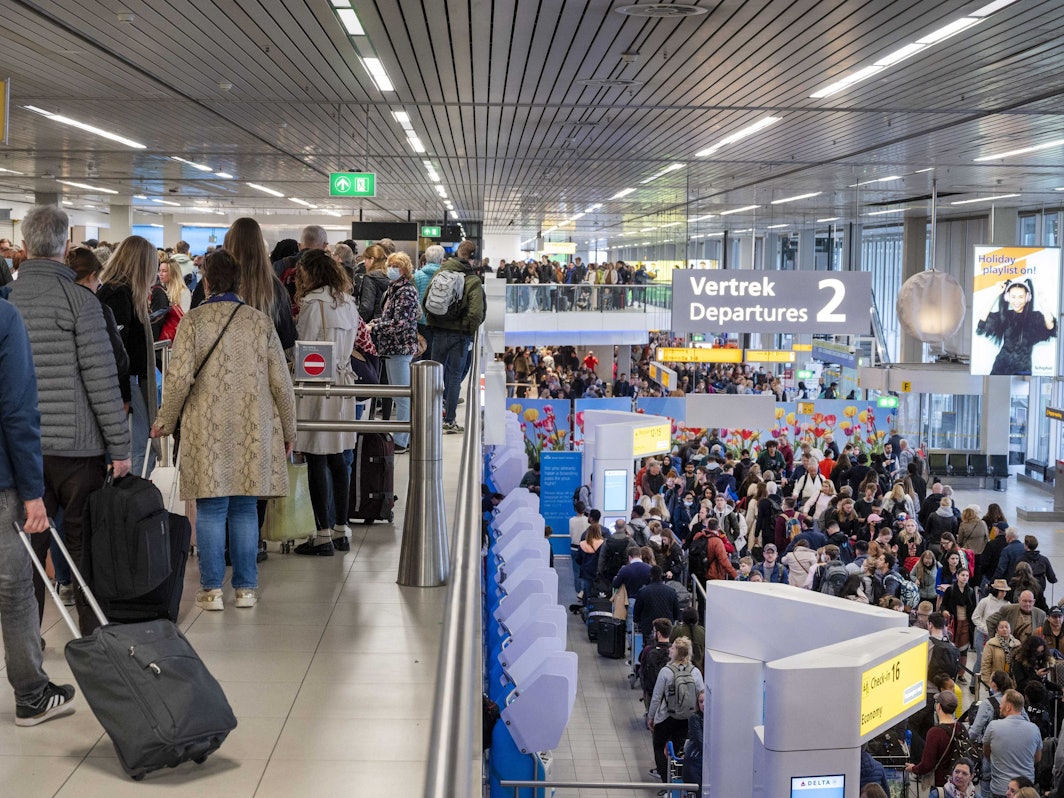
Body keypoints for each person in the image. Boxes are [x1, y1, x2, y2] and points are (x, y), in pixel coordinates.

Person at [151, 249, 297, 610]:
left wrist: (165, 421)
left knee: (212, 508)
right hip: (254, 425)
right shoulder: (259, 322)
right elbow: (281, 381)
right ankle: (246, 589)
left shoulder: (194, 321)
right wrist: (289, 429)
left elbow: (179, 378)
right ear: (239, 281)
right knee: (245, 509)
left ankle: (212, 589)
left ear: (207, 280)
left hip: (206, 427)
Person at [9, 205, 131, 634]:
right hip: (79, 453)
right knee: (83, 550)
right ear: (65, 247)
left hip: (22, 454)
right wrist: (120, 447)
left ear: (24, 247)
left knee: (24, 554)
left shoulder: (8, 304)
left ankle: (26, 647)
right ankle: (93, 638)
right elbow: (101, 381)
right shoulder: (81, 301)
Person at [0, 296, 78, 725]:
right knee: (14, 591)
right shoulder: (4, 318)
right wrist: (33, 492)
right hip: (1, 481)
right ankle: (31, 695)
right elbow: (17, 411)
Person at [290, 250, 360, 556]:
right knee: (339, 455)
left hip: (318, 384)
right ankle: (341, 529)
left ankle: (322, 535)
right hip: (345, 382)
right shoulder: (347, 302)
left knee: (317, 457)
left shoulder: (312, 304)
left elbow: (302, 349)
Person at [97, 235, 169, 478]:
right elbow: (116, 351)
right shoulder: (119, 295)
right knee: (139, 449)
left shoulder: (119, 292)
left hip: (124, 383)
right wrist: (124, 396)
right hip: (124, 384)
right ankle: (132, 502)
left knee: (139, 448)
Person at [426, 240, 486, 434]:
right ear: (472, 257)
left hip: (438, 331)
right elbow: (476, 313)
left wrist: (433, 322)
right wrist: (469, 330)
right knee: (453, 377)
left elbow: (426, 298)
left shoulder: (441, 272)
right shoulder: (472, 280)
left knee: (433, 376)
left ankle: (430, 416)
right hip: (459, 336)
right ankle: (449, 420)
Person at [368, 252, 420, 453]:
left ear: (405, 269)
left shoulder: (405, 291)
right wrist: (376, 323)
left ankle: (402, 440)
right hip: (392, 348)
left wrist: (376, 328)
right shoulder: (393, 289)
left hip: (399, 347)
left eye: (396, 265)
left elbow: (401, 322)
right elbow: (391, 317)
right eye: (390, 264)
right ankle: (401, 437)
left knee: (402, 396)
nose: (391, 268)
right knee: (399, 393)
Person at [223, 218, 297, 350]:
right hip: (263, 364)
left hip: (222, 363)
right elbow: (287, 339)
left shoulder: (215, 284)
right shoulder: (275, 289)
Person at [647, 637, 705, 788]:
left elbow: (656, 697)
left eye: (672, 648)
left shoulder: (666, 671)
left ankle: (665, 781)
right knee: (680, 750)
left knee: (659, 746)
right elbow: (701, 694)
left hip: (667, 717)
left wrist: (651, 716)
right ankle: (678, 781)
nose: (670, 650)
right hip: (686, 717)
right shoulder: (695, 672)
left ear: (677, 652)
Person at [976, 278, 1056, 376]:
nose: (1016, 301)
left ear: (1028, 298)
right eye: (1013, 297)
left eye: (1021, 297)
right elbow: (982, 321)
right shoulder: (1005, 316)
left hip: (1023, 370)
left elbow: (1050, 327)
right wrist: (995, 294)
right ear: (1007, 297)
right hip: (1001, 368)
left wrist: (1043, 304)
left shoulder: (1035, 317)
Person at [983, 689, 1042, 798]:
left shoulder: (993, 727)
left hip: (1000, 789)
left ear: (1008, 706)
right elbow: (1037, 758)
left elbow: (986, 752)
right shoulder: (1034, 729)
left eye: (1002, 703)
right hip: (1025, 791)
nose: (1000, 706)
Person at [906, 690, 964, 788]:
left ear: (938, 707)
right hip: (958, 782)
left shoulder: (935, 732)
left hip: (941, 784)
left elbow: (927, 764)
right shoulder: (961, 728)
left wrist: (914, 768)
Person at [412, 244, 444, 354]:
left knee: (423, 352)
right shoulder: (445, 276)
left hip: (421, 322)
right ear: (441, 260)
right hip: (440, 321)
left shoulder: (417, 276)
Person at [638, 618, 672, 711]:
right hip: (669, 694)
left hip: (651, 692)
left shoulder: (648, 650)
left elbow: (642, 668)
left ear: (658, 634)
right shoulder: (673, 650)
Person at [981, 619, 1021, 692]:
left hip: (1012, 681)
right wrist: (988, 683)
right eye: (1001, 627)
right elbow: (985, 664)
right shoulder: (991, 644)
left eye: (1006, 627)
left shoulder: (1017, 644)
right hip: (997, 681)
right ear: (997, 630)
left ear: (1010, 629)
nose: (1004, 629)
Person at [574, 521, 604, 601]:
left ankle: (587, 609)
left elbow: (578, 559)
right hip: (598, 573)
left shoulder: (582, 544)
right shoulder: (603, 544)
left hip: (586, 572)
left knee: (587, 593)